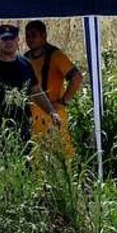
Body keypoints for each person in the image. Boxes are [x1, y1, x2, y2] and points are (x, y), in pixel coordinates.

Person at [0, 24, 61, 141]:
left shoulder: (25, 64)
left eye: (12, 38)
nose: (8, 42)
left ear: (18, 40)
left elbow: (36, 91)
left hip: (24, 129)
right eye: (5, 39)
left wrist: (52, 112)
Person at [24, 20, 83, 154]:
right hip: (33, 119)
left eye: (34, 35)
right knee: (38, 160)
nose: (30, 39)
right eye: (27, 36)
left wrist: (63, 102)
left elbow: (77, 77)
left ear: (44, 36)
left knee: (60, 157)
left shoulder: (56, 56)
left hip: (54, 117)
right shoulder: (26, 58)